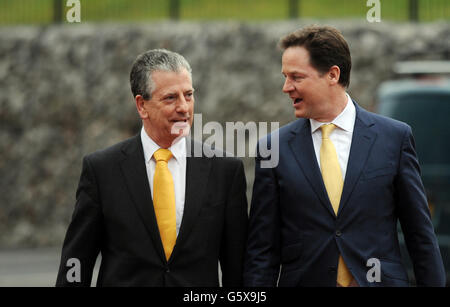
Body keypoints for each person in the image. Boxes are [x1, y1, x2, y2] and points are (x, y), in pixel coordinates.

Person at [244, 25, 445, 287]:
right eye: (285, 76)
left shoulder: (394, 139)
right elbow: (262, 250)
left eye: (296, 77)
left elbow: (420, 236)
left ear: (332, 74)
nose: (286, 87)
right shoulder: (273, 149)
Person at [56, 49, 248, 286]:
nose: (184, 108)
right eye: (170, 98)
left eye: (188, 95)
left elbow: (237, 269)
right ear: (141, 105)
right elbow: (77, 260)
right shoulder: (102, 170)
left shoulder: (225, 171)